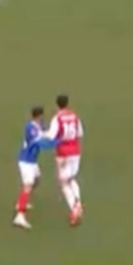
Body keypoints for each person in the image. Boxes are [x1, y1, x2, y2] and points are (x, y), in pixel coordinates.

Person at [13, 105, 57, 229]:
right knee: (28, 185)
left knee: (36, 181)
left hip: (32, 162)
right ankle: (19, 216)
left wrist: (54, 136)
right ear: (40, 116)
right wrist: (56, 143)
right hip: (26, 161)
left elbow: (44, 134)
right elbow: (40, 142)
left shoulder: (38, 127)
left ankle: (21, 202)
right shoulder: (30, 128)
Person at [48, 94, 84, 226]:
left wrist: (41, 135)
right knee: (72, 178)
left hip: (63, 153)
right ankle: (78, 201)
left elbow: (51, 136)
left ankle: (74, 208)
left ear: (57, 105)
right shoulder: (74, 116)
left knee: (63, 182)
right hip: (75, 152)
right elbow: (80, 133)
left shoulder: (57, 118)